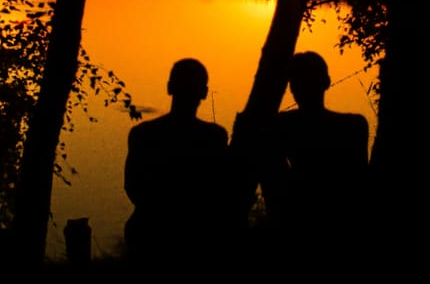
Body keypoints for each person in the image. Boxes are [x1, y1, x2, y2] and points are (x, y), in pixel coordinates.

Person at [124, 58, 242, 266]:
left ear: (169, 88)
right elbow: (222, 189)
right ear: (204, 93)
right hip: (197, 236)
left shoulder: (142, 134)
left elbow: (133, 187)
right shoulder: (214, 137)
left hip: (150, 233)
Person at [264, 51, 370, 259]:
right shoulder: (354, 126)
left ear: (292, 88)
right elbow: (360, 183)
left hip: (298, 223)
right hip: (343, 224)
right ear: (327, 82)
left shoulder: (283, 125)